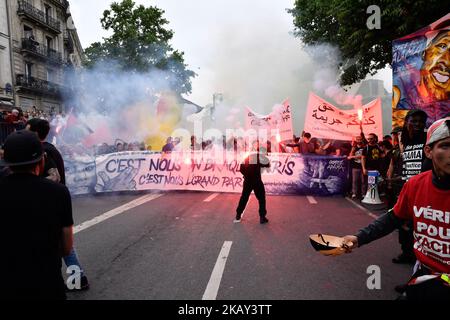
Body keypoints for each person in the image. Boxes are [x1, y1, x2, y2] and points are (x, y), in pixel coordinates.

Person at [342, 117, 450, 300]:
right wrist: (359, 238)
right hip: (426, 275)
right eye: (446, 146)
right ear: (429, 151)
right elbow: (393, 218)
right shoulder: (415, 185)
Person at [0, 130, 74, 299]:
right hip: (46, 281)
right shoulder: (58, 192)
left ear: (7, 163)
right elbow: (66, 246)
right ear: (41, 161)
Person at [26, 118, 89, 291]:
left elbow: (53, 178)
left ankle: (75, 279)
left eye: (27, 130)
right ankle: (79, 279)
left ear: (35, 132)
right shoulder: (50, 149)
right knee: (63, 244)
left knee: (59, 245)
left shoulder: (44, 151)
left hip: (47, 205)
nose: (24, 133)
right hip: (54, 203)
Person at [235, 143, 270, 224]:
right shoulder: (261, 157)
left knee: (244, 198)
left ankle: (238, 214)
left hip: (247, 181)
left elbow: (241, 169)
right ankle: (262, 217)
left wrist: (246, 175)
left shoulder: (247, 157)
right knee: (261, 199)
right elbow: (267, 165)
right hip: (257, 181)